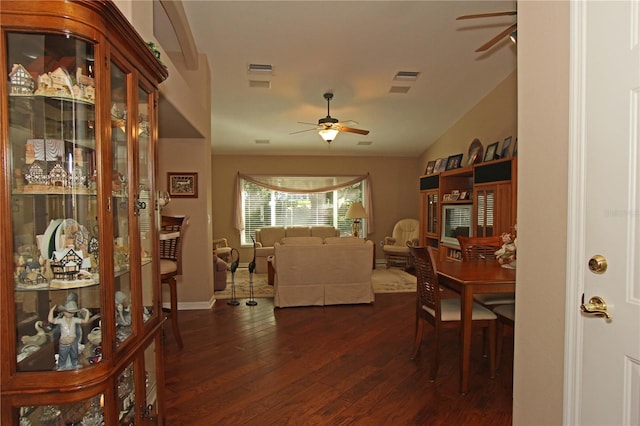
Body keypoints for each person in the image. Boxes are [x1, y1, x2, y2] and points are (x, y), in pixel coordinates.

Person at [48, 300, 90, 370]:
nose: (71, 314)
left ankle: (75, 364)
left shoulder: (75, 320)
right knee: (63, 356)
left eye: (72, 312)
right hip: (64, 342)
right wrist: (51, 310)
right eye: (69, 312)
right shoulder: (61, 321)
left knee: (74, 355)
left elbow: (85, 321)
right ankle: (61, 366)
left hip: (73, 341)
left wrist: (87, 312)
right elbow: (51, 320)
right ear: (63, 312)